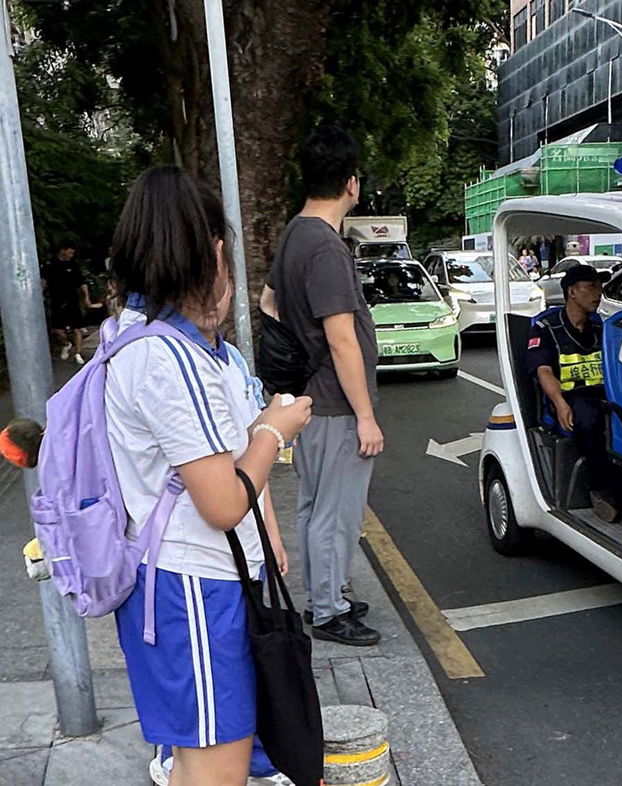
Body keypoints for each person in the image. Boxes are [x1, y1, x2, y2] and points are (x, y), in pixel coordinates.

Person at [106, 166, 313, 785]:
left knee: (207, 758)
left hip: (196, 581)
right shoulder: (167, 360)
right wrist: (276, 430)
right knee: (216, 769)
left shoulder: (156, 342)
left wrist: (268, 538)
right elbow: (222, 501)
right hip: (192, 585)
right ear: (214, 253)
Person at [265, 124, 383, 646]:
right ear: (351, 184)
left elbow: (269, 304)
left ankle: (324, 592)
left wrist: (297, 352)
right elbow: (342, 339)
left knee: (315, 505)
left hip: (311, 396)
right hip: (337, 402)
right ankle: (329, 610)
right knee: (336, 513)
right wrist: (366, 416)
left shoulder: (294, 233)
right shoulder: (328, 248)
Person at [527, 264, 622, 522]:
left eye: (600, 286)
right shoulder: (546, 327)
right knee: (590, 420)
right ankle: (599, 490)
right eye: (591, 287)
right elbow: (543, 371)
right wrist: (559, 403)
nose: (598, 293)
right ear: (572, 291)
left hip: (604, 394)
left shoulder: (601, 327)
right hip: (570, 397)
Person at [41, 242, 101, 365]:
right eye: (69, 252)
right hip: (56, 300)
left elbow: (81, 282)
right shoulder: (50, 264)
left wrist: (86, 298)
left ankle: (78, 353)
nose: (71, 255)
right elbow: (43, 281)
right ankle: (66, 343)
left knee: (77, 328)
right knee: (57, 329)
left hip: (72, 299)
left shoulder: (73, 265)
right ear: (63, 250)